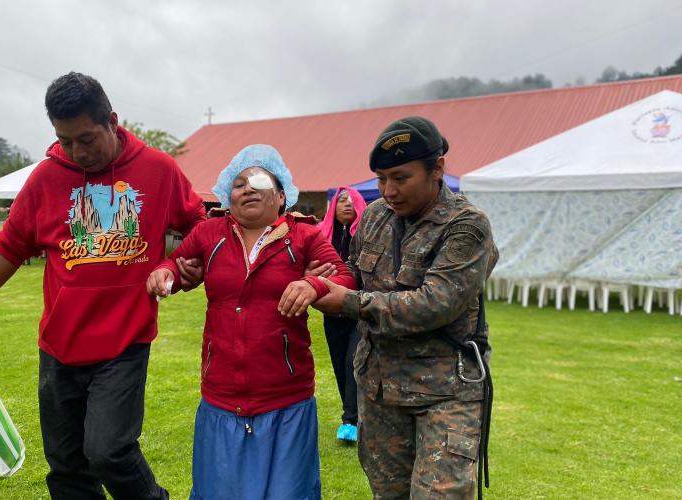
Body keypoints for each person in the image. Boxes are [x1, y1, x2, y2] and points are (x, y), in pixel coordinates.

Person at [0, 72, 206, 500]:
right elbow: (10, 246)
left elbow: (198, 223)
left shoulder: (158, 169)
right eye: (65, 141)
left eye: (86, 139)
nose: (77, 151)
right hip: (59, 346)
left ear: (112, 121)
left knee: (109, 452)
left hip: (125, 342)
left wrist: (177, 265)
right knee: (66, 467)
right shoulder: (46, 178)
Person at [147, 144, 356, 500]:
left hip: (286, 398)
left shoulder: (303, 236)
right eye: (239, 183)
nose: (247, 188)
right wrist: (163, 274)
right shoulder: (209, 234)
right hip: (222, 396)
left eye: (258, 181)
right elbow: (176, 262)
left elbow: (345, 280)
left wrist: (314, 284)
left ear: (281, 195)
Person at [313, 117, 498, 499]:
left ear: (437, 169)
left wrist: (348, 301)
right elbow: (354, 272)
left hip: (445, 394)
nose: (388, 190)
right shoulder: (376, 216)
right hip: (380, 388)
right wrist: (324, 279)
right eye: (381, 179)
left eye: (400, 177)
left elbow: (436, 303)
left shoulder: (467, 226)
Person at [316, 186, 367, 442]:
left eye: (352, 201)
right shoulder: (321, 238)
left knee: (352, 361)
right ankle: (351, 416)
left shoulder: (366, 237)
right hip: (332, 312)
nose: (347, 204)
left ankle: (351, 421)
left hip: (359, 310)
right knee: (339, 363)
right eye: (342, 200)